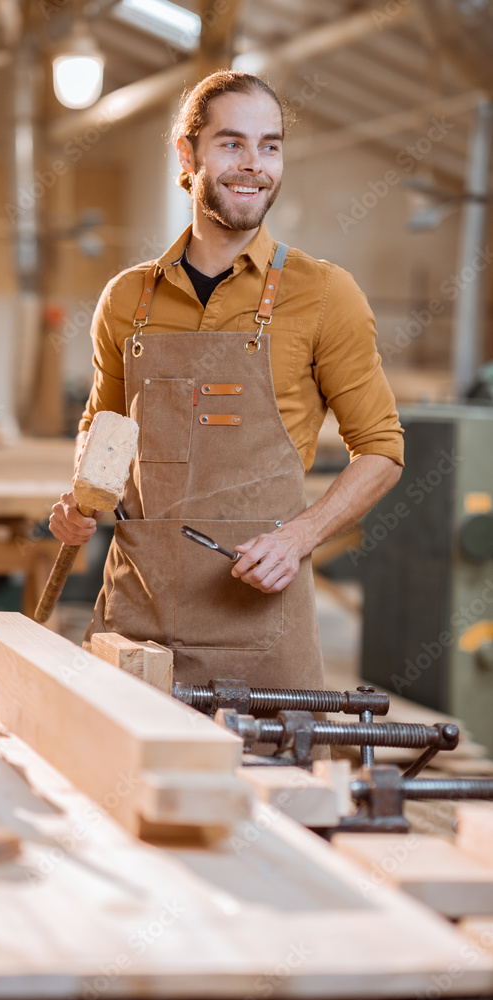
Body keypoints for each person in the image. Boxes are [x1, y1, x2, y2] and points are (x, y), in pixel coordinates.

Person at [49, 69, 403, 695]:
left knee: (273, 787)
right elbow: (103, 430)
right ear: (187, 156)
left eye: (271, 145)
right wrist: (80, 501)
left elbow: (382, 450)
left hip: (260, 624)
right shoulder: (126, 298)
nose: (255, 164)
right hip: (136, 618)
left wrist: (299, 537)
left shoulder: (324, 295)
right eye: (232, 143)